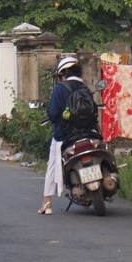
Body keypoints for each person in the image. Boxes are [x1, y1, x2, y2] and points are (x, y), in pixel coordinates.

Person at [39, 55, 95, 215]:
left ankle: (47, 202)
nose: (61, 78)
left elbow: (52, 112)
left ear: (64, 73)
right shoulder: (85, 89)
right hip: (86, 133)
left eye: (61, 75)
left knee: (52, 165)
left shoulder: (60, 89)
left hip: (64, 136)